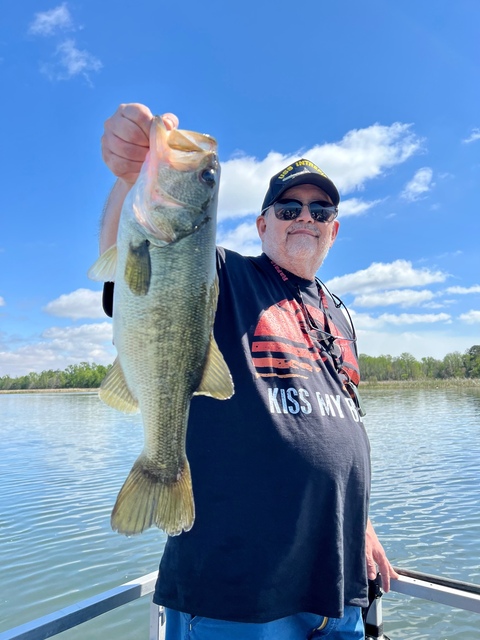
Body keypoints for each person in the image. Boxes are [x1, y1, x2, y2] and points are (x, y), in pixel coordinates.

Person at [99, 103, 398, 640]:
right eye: (287, 208)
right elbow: (141, 268)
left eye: (319, 210)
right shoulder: (226, 277)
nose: (305, 216)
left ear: (334, 230)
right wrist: (130, 179)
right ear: (262, 225)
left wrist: (361, 527)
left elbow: (340, 427)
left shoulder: (340, 314)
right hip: (238, 597)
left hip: (339, 587)